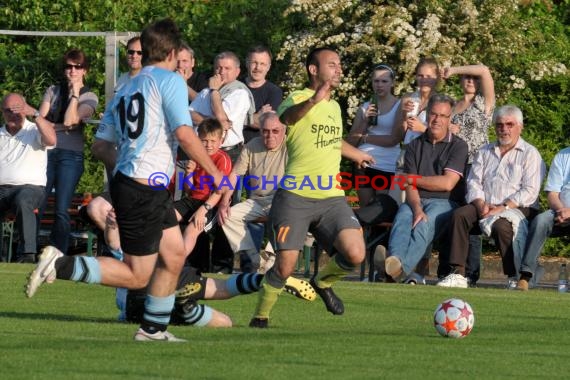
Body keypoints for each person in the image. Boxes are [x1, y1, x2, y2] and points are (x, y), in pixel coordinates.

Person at [26, 18, 226, 342]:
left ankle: (152, 330)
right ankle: (60, 265)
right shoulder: (169, 81)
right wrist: (216, 174)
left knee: (174, 253)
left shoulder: (126, 88)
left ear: (144, 51)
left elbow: (101, 146)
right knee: (137, 275)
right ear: (173, 52)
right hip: (143, 187)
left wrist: (132, 168)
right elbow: (185, 134)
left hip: (140, 185)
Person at [249, 47, 373, 328]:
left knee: (355, 253)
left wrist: (357, 155)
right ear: (313, 70)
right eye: (332, 64)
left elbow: (332, 141)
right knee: (285, 267)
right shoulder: (297, 98)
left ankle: (322, 281)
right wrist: (314, 100)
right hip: (296, 196)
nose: (338, 69)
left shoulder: (334, 106)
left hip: (331, 197)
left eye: (339, 64)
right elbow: (286, 119)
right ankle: (260, 317)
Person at [436, 105, 544, 289]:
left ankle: (514, 276)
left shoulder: (530, 154)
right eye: (500, 125)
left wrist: (502, 207)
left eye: (509, 124)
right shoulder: (484, 151)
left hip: (517, 207)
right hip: (484, 205)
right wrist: (480, 204)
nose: (504, 129)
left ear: (520, 127)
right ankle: (458, 273)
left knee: (503, 226)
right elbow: (474, 182)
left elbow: (530, 191)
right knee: (459, 215)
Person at [384, 94, 468, 281]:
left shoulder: (459, 146)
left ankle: (396, 271)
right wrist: (416, 208)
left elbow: (447, 183)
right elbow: (408, 185)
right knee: (403, 219)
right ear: (428, 114)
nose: (437, 119)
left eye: (443, 116)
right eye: (433, 114)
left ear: (449, 119)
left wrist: (413, 179)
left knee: (423, 224)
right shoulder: (414, 145)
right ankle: (394, 263)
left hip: (446, 201)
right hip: (416, 199)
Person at [37, 48, 99, 255]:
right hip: (46, 152)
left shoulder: (89, 96)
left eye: (77, 67)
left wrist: (74, 94)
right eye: (68, 66)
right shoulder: (53, 90)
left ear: (85, 70)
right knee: (38, 203)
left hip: (70, 156)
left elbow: (71, 120)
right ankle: (26, 251)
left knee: (61, 208)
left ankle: (58, 254)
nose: (72, 71)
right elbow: (41, 119)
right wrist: (58, 125)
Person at [441, 63, 496, 286]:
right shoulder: (453, 107)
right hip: (453, 167)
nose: (470, 81)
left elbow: (484, 70)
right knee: (450, 217)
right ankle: (449, 269)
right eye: (465, 78)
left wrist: (452, 69)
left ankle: (471, 273)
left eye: (472, 78)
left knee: (471, 218)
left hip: (476, 167)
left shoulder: (483, 104)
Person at [217, 111, 288, 273]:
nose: (270, 135)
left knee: (289, 211)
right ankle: (253, 258)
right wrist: (224, 202)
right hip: (256, 201)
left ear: (284, 131)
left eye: (275, 131)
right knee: (227, 216)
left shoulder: (292, 146)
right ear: (260, 130)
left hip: (281, 201)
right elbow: (234, 175)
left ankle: (271, 258)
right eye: (265, 131)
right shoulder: (251, 146)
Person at [0, 93, 56, 263]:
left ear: (25, 110)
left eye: (17, 110)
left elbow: (52, 140)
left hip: (30, 188)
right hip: (2, 188)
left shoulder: (35, 129)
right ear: (2, 112)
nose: (13, 115)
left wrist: (37, 115)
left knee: (23, 200)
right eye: (8, 111)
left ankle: (27, 254)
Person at [172, 118, 232, 271]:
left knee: (192, 229)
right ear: (198, 139)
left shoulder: (222, 159)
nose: (209, 145)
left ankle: (175, 264)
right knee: (165, 218)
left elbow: (220, 190)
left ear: (221, 140)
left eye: (213, 141)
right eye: (204, 141)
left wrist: (203, 209)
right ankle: (161, 257)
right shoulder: (196, 156)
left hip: (211, 204)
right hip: (192, 200)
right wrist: (189, 174)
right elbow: (189, 190)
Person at [347, 63, 402, 206]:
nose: (380, 85)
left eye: (384, 81)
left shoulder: (400, 106)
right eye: (376, 81)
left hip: (387, 165)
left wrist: (365, 137)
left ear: (392, 83)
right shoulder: (364, 107)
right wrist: (364, 123)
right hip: (363, 166)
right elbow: (350, 143)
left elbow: (393, 139)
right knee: (366, 211)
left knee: (380, 211)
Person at [516, 147, 570, 290]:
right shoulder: (563, 155)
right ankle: (526, 276)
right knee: (541, 221)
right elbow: (552, 193)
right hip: (561, 211)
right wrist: (561, 210)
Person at [189, 51, 255, 162]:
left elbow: (221, 118)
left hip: (229, 153)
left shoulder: (240, 93)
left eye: (227, 68)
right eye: (218, 68)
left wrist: (214, 91)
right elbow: (187, 114)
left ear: (237, 72)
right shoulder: (205, 92)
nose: (222, 72)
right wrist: (212, 122)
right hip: (201, 150)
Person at [242, 45, 283, 142]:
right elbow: (223, 120)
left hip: (260, 149)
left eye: (262, 64)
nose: (258, 67)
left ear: (268, 67)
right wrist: (256, 116)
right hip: (233, 148)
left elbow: (265, 123)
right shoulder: (235, 88)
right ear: (247, 63)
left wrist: (237, 117)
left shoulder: (274, 92)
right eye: (254, 63)